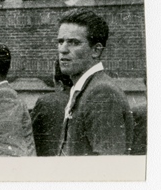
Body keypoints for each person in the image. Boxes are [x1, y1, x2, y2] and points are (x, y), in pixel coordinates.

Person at [57, 9, 133, 156]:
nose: (63, 49)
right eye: (60, 41)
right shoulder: (84, 88)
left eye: (73, 42)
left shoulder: (102, 93)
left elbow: (108, 166)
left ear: (96, 51)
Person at [30, 60, 73, 156]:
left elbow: (28, 135)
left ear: (61, 85)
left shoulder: (46, 102)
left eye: (54, 82)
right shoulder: (87, 99)